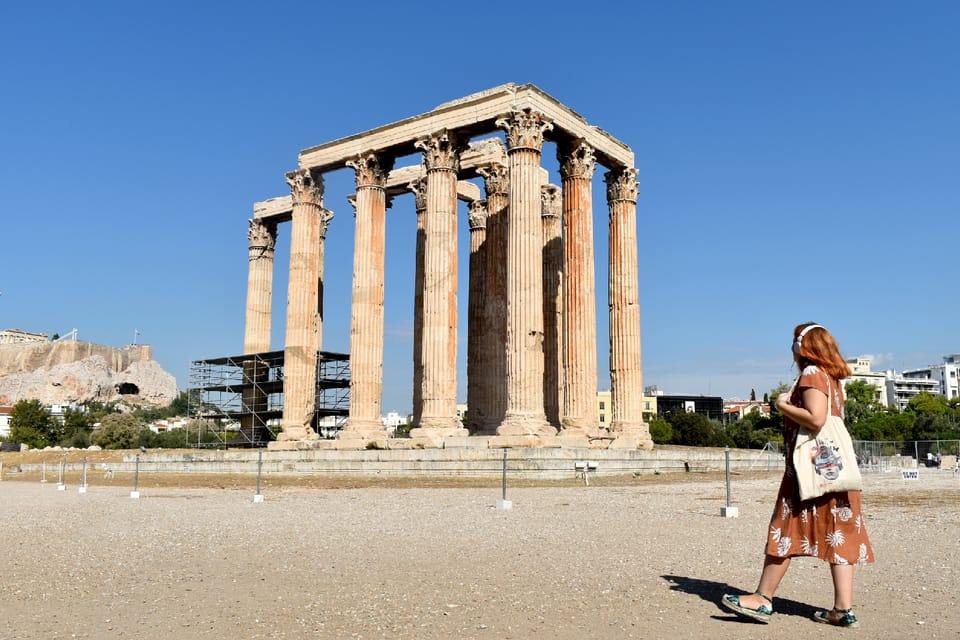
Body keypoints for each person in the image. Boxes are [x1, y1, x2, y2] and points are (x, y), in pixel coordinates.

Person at [721, 323, 875, 627]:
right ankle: (842, 611)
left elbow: (816, 419)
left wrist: (781, 405)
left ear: (803, 346)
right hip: (835, 474)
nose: (791, 346)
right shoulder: (832, 378)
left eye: (794, 340)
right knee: (840, 534)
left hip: (810, 474)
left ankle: (763, 598)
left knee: (785, 528)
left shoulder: (811, 374)